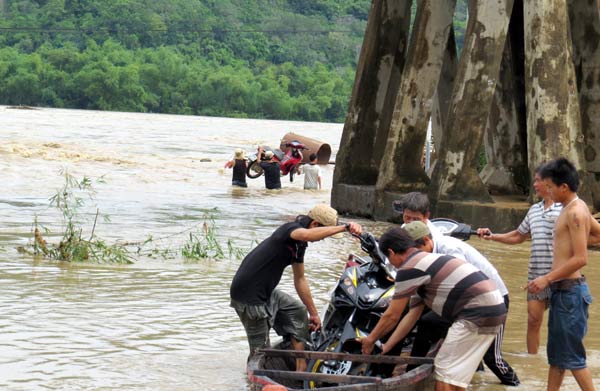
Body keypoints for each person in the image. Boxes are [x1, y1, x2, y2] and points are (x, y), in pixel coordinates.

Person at [359, 226, 507, 391]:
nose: (391, 264)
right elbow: (412, 315)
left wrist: (370, 339)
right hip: (495, 308)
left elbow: (392, 315)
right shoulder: (426, 261)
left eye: (388, 258)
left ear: (391, 253)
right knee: (454, 378)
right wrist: (387, 347)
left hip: (476, 313)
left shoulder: (408, 269)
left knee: (444, 371)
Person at [230, 204, 362, 372]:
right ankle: (254, 379)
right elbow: (307, 235)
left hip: (266, 291)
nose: (322, 239)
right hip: (247, 295)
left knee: (298, 311)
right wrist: (343, 228)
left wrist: (313, 313)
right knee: (261, 351)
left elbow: (300, 280)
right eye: (323, 234)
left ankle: (301, 367)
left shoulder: (299, 246)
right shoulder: (291, 230)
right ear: (314, 225)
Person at [476, 165, 562, 354]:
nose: (535, 184)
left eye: (538, 180)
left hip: (561, 276)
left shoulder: (565, 208)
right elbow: (519, 236)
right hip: (536, 274)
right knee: (533, 320)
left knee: (560, 326)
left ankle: (559, 363)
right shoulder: (534, 210)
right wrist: (493, 236)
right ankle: (533, 361)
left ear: (549, 183)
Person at [527, 158, 595, 391]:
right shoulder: (577, 208)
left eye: (550, 187)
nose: (547, 191)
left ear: (563, 187)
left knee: (573, 360)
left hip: (570, 293)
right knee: (557, 358)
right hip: (564, 292)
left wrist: (546, 278)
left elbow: (581, 258)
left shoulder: (575, 212)